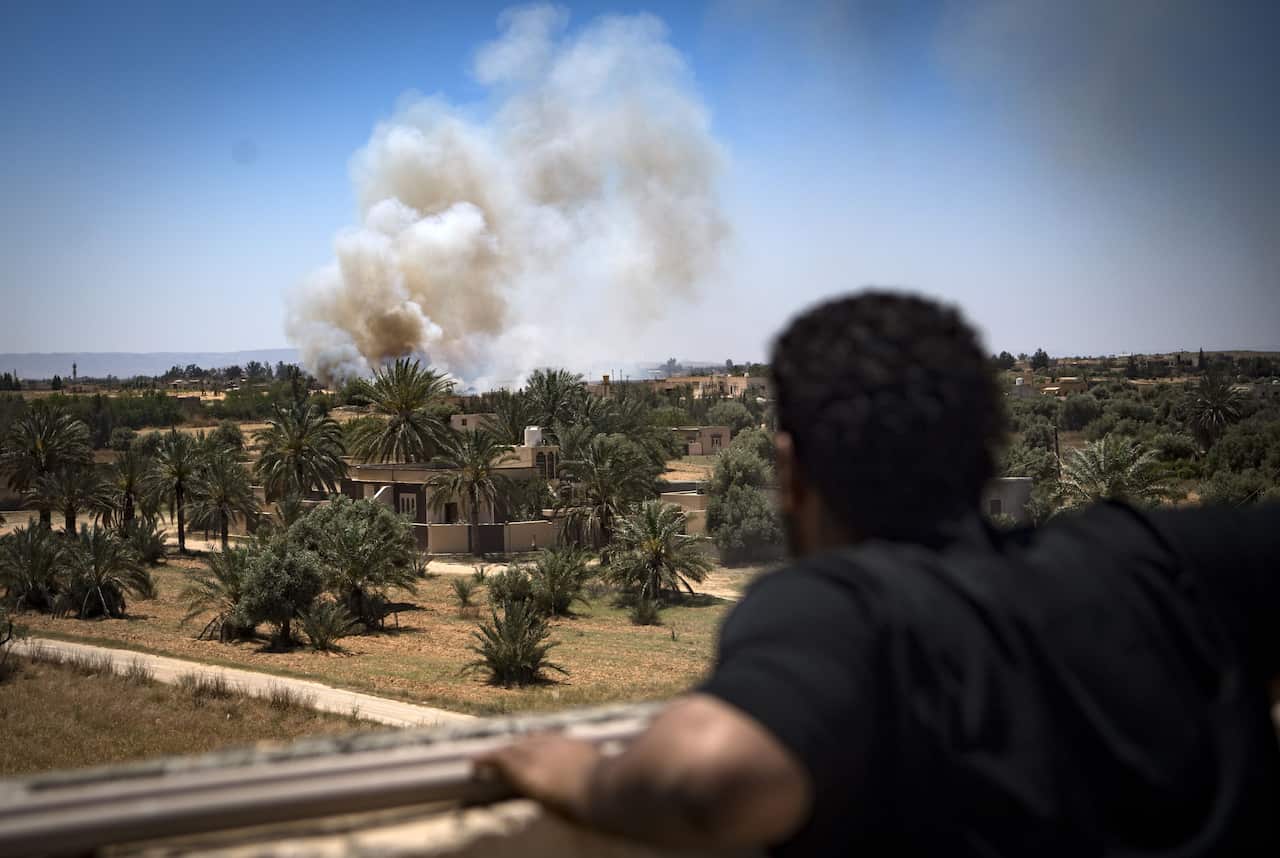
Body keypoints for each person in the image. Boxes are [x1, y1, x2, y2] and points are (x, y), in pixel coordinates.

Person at [477, 292, 1280, 856]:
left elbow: (704, 780)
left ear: (789, 470)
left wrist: (575, 770)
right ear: (987, 450)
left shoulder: (839, 607)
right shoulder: (1153, 556)